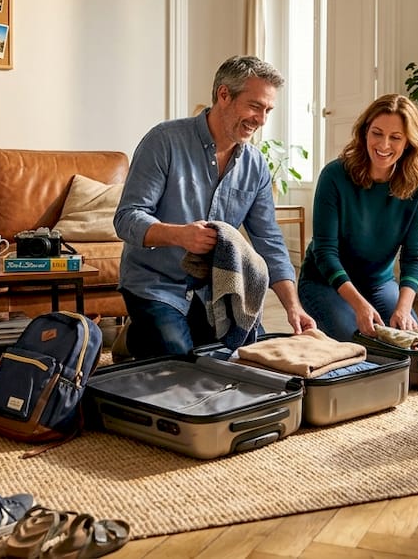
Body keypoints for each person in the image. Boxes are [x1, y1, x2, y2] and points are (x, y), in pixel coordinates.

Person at [114, 55, 315, 359]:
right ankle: (135, 338)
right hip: (155, 283)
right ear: (224, 95)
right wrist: (179, 235)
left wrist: (293, 307)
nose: (261, 120)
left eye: (268, 110)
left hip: (216, 290)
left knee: (239, 357)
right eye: (254, 106)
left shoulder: (256, 165)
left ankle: (160, 334)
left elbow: (269, 240)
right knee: (179, 358)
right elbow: (126, 218)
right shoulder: (164, 141)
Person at [297, 94, 418, 341]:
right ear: (364, 132)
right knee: (358, 342)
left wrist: (402, 308)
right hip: (324, 283)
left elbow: (414, 256)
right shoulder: (334, 176)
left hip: (379, 284)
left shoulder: (417, 188)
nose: (384, 144)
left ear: (408, 143)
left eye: (396, 137)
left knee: (408, 339)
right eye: (377, 133)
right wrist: (359, 305)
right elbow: (325, 253)